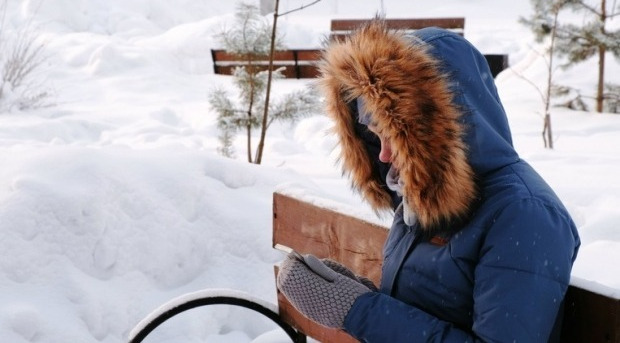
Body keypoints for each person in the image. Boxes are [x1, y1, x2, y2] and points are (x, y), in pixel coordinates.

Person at [276, 19, 581, 342]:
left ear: (438, 131)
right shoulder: (424, 195)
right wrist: (358, 295)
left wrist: (359, 309)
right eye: (377, 136)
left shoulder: (524, 215)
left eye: (396, 136)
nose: (383, 156)